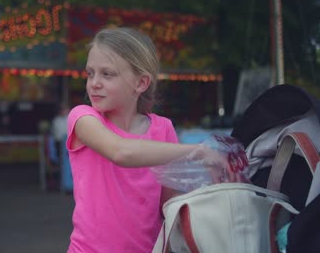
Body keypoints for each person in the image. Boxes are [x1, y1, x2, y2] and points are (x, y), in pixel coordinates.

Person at [66, 27, 236, 252]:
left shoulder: (162, 128)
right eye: (90, 73)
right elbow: (121, 152)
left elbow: (169, 203)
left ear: (141, 83)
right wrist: (200, 151)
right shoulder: (83, 118)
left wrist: (216, 193)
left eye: (107, 74)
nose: (94, 83)